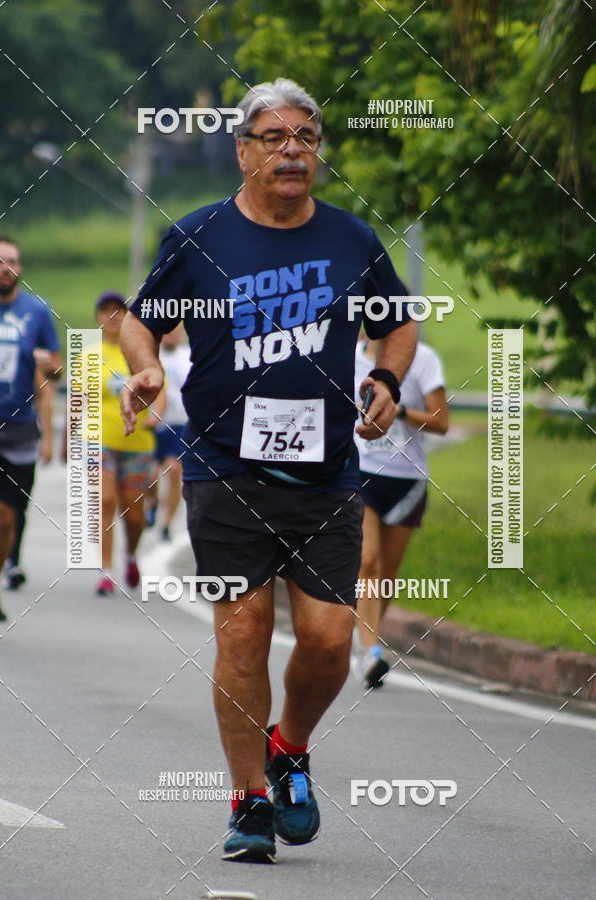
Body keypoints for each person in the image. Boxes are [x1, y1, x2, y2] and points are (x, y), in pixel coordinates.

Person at [119, 77, 416, 864]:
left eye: (307, 139)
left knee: (325, 643)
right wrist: (146, 372)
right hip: (222, 468)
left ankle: (289, 746)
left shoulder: (352, 240)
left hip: (326, 474)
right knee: (243, 632)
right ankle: (250, 801)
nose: (293, 151)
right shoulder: (198, 235)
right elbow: (141, 326)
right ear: (244, 151)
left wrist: (385, 381)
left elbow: (400, 324)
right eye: (276, 138)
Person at [354, 337, 449, 688]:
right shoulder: (350, 357)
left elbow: (441, 423)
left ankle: (365, 636)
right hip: (361, 473)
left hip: (406, 479)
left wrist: (400, 409)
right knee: (367, 561)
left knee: (388, 573)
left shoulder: (424, 359)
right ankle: (369, 652)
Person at [0, 236, 62, 622]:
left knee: (7, 518)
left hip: (19, 430)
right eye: (0, 261)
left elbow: (55, 370)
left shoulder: (36, 312)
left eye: (14, 262)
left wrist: (47, 364)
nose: (7, 268)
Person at [93, 292, 164, 597]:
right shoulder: (90, 355)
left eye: (118, 311)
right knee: (105, 502)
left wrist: (156, 414)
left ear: (126, 316)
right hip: (100, 440)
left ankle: (131, 555)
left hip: (137, 442)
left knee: (133, 514)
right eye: (105, 311)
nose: (112, 316)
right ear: (98, 317)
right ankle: (106, 571)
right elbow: (79, 400)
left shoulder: (138, 351)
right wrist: (68, 439)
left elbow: (160, 389)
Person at [4, 362, 55, 590]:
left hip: (20, 437)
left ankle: (12, 560)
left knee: (14, 507)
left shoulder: (27, 334)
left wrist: (48, 439)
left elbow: (45, 390)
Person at [144, 325, 191, 541]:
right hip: (155, 424)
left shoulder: (189, 356)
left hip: (179, 424)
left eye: (176, 332)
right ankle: (152, 502)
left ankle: (166, 524)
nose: (173, 335)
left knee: (173, 471)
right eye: (168, 331)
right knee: (150, 473)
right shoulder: (152, 356)